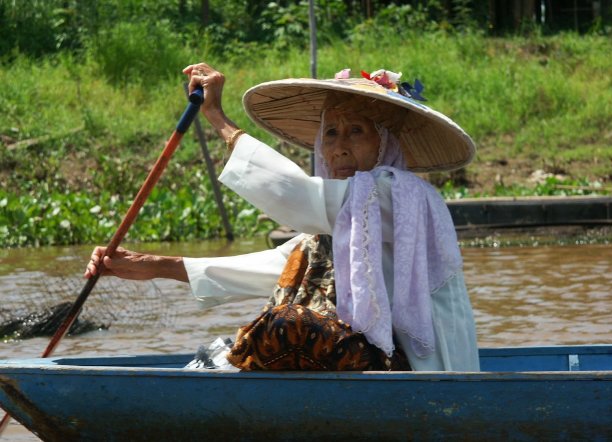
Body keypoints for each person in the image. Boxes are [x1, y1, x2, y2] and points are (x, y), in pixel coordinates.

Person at [85, 63, 480, 372]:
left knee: (286, 325)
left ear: (385, 143)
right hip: (367, 361)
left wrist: (217, 118)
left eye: (356, 131)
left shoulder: (399, 196)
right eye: (331, 134)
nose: (339, 148)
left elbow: (295, 195)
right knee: (249, 338)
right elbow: (268, 268)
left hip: (422, 369)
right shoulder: (333, 226)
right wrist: (150, 265)